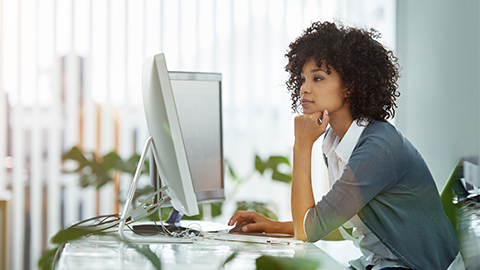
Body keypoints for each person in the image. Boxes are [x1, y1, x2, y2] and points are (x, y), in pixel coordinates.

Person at [228, 21, 464, 270]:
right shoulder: (335, 143)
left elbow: (309, 232)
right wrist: (275, 227)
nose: (304, 89)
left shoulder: (378, 149)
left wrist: (301, 145)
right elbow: (340, 220)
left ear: (350, 85)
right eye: (303, 79)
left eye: (317, 78)